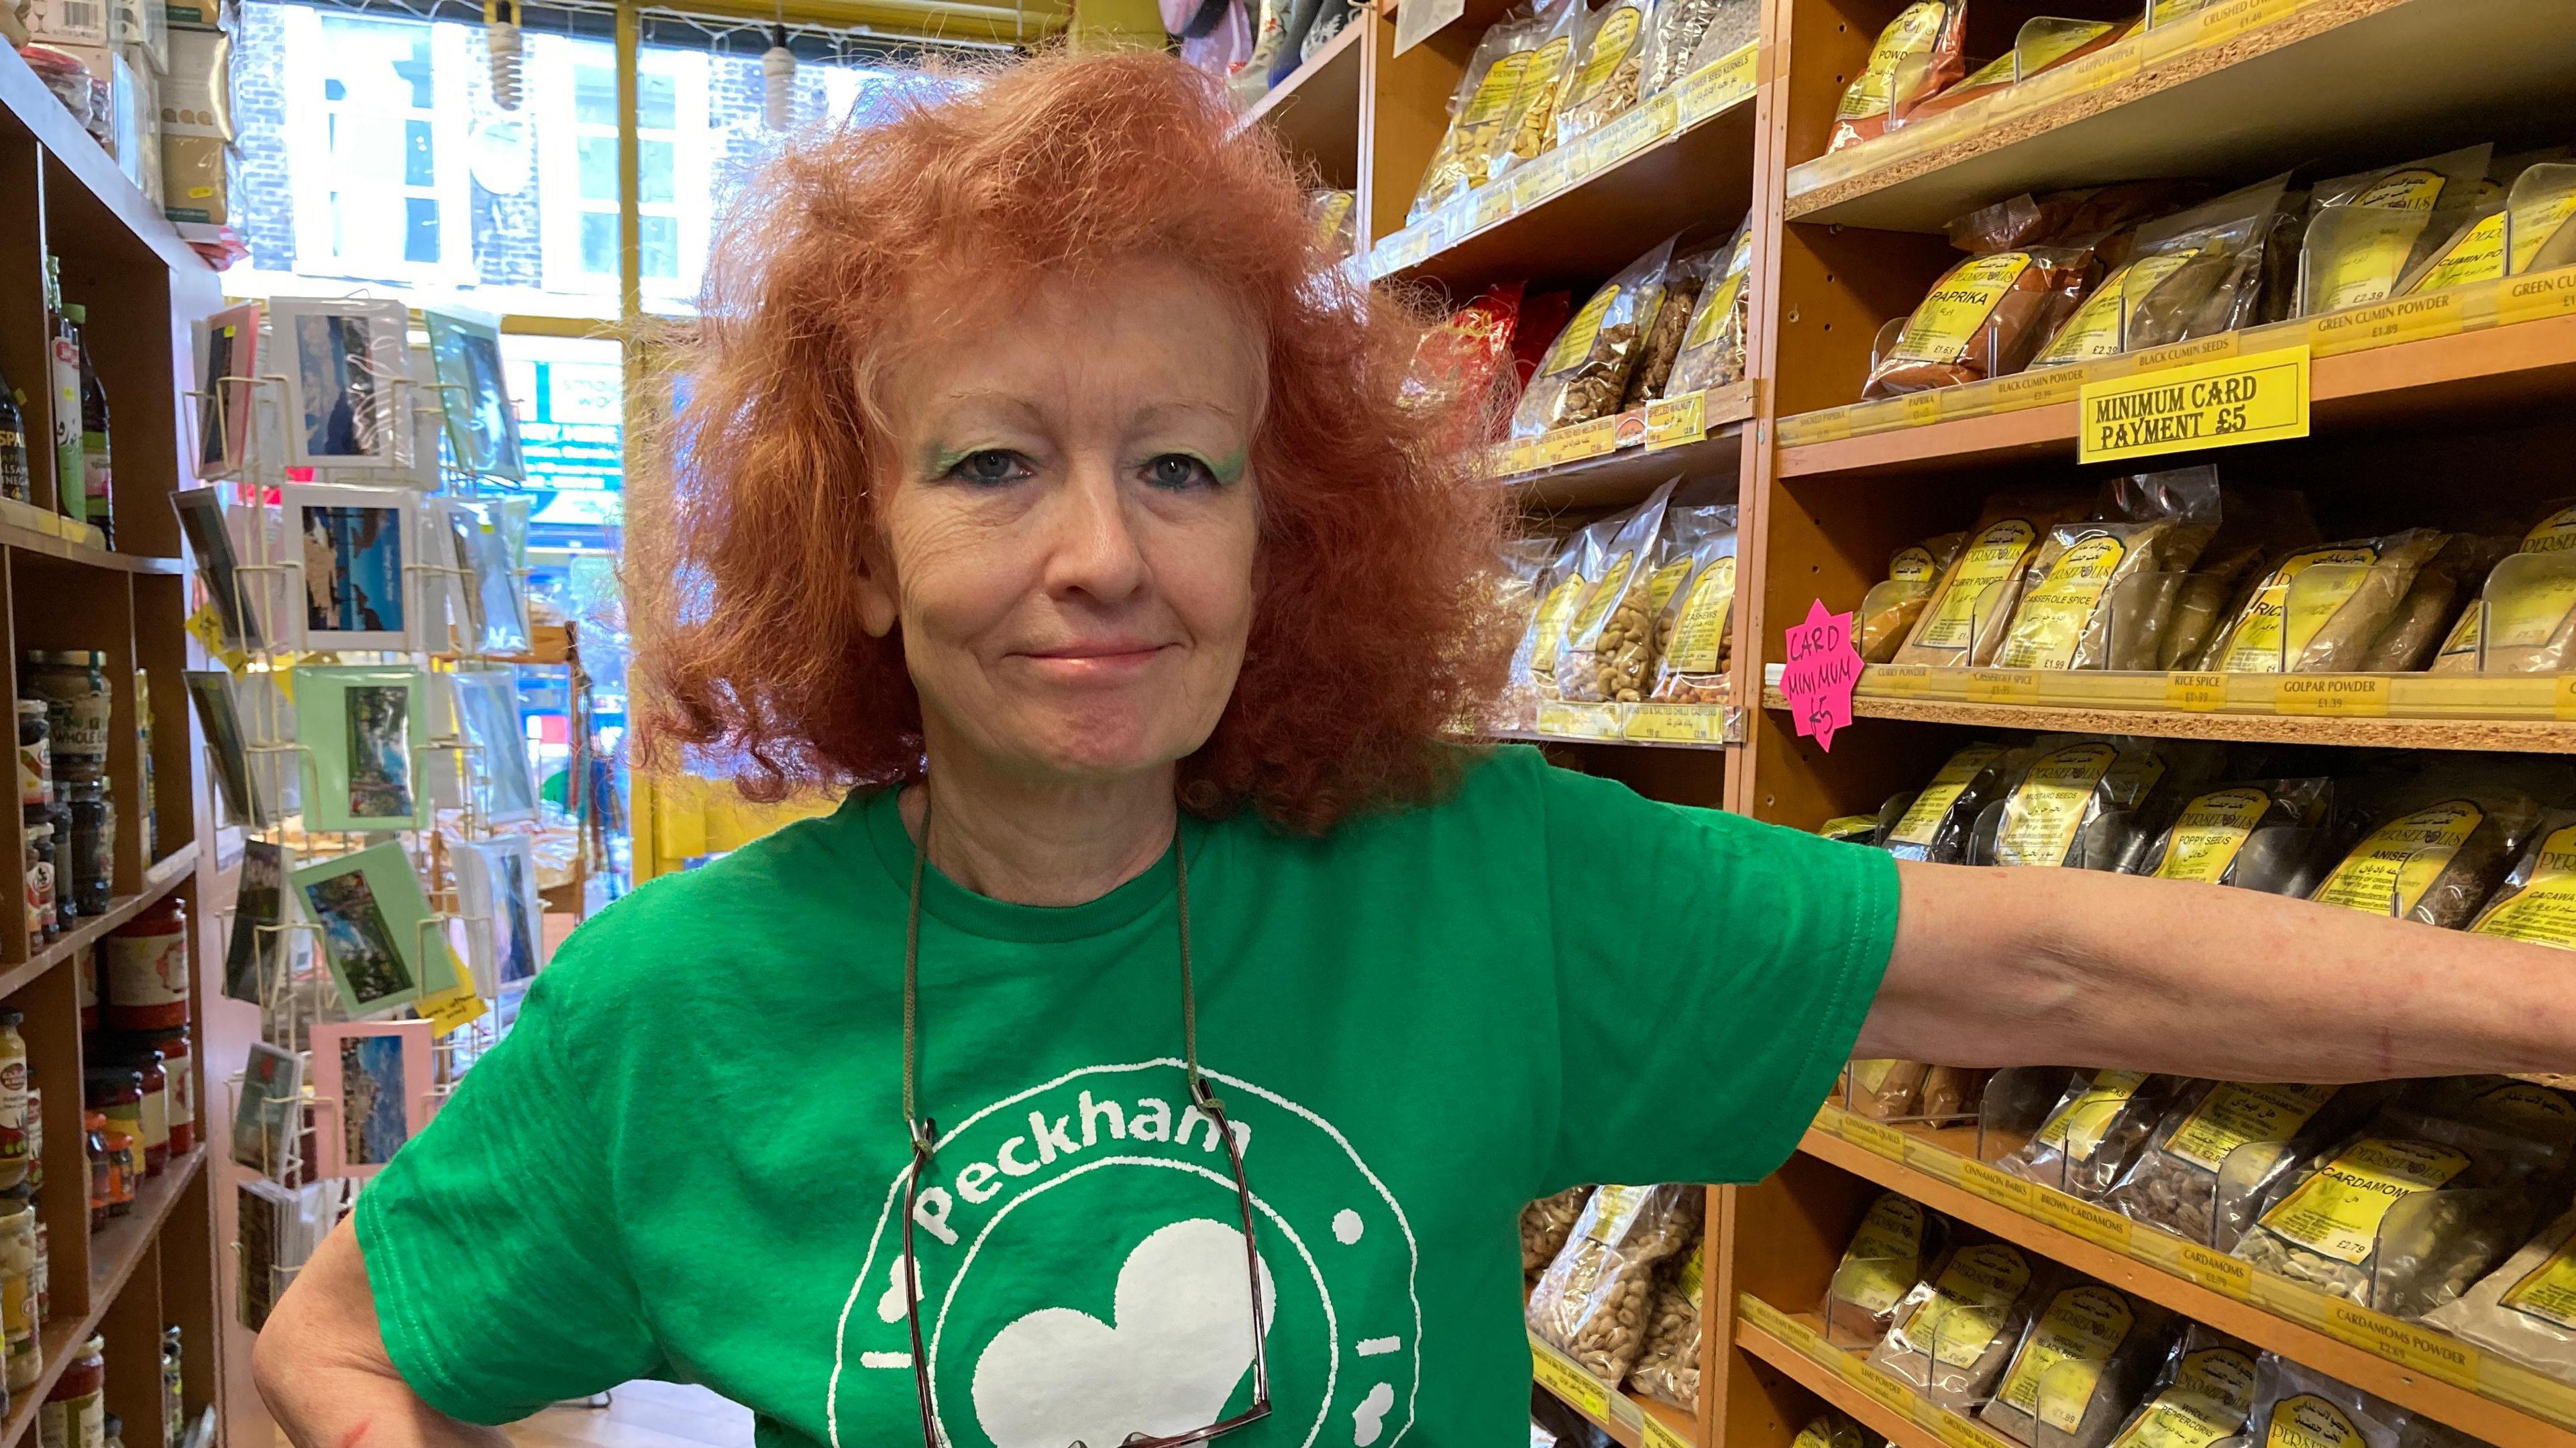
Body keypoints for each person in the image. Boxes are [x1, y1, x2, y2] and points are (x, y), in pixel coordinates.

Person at [255, 50, 2575, 1448]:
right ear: (846, 554)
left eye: (1180, 466)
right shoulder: (680, 1005)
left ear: (1284, 530)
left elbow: (2050, 979)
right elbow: (333, 1347)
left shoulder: (1477, 882)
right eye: (988, 468)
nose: (1103, 557)